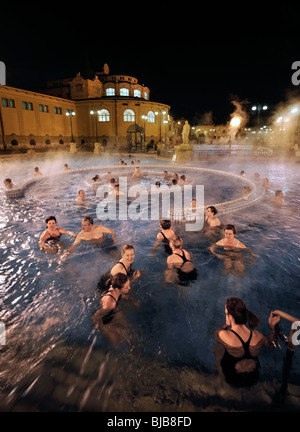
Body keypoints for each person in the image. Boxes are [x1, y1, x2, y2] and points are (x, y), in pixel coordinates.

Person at [214, 297, 280, 387]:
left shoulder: (223, 334)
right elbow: (273, 344)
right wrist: (272, 327)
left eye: (226, 313)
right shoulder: (258, 336)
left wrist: (226, 324)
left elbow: (216, 336)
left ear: (230, 316)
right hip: (253, 378)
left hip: (232, 379)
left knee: (217, 348)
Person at [92, 273, 137, 347]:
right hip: (102, 319)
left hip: (111, 313)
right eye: (126, 287)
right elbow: (96, 318)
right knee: (116, 343)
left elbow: (121, 295)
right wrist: (108, 331)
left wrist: (132, 300)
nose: (129, 288)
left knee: (128, 333)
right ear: (118, 289)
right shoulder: (110, 303)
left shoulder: (115, 289)